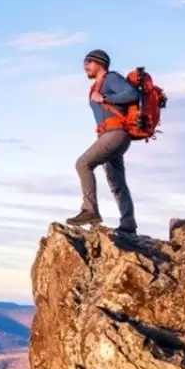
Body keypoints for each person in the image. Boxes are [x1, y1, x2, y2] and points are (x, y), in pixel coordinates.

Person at [66, 49, 138, 234]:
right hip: (108, 136)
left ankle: (90, 210)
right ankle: (129, 224)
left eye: (88, 62)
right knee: (116, 182)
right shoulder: (95, 86)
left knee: (83, 163)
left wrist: (106, 97)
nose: (85, 66)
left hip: (116, 134)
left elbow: (132, 94)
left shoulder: (111, 78)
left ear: (100, 63)